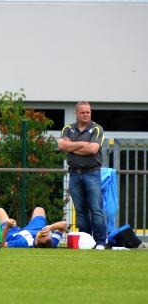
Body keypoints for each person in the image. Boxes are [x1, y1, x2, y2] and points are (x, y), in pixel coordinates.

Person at [58, 101, 107, 249]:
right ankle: (86, 242)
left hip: (92, 173)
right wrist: (82, 144)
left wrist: (71, 147)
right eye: (83, 112)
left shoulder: (97, 129)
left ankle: (100, 243)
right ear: (77, 113)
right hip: (74, 174)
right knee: (80, 212)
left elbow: (93, 149)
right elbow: (61, 145)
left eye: (88, 112)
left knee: (96, 209)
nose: (86, 115)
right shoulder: (68, 128)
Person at [0, 207, 66, 248]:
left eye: (43, 234)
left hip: (13, 233)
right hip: (33, 230)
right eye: (47, 234)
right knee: (39, 209)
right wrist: (50, 227)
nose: (45, 232)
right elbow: (64, 225)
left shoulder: (23, 243)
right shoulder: (52, 242)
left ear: (37, 240)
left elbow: (3, 245)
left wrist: (7, 227)